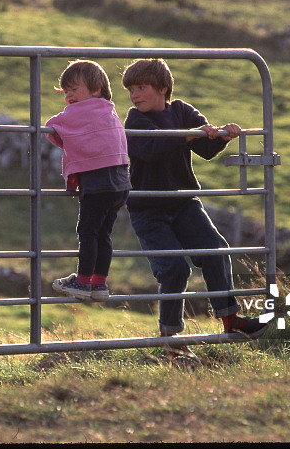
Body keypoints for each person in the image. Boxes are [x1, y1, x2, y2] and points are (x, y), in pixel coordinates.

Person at [121, 58, 266, 367]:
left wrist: (223, 136)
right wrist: (188, 135)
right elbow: (149, 149)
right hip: (148, 210)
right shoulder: (134, 120)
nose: (134, 95)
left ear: (162, 88)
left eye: (141, 87)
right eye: (131, 89)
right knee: (175, 270)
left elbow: (205, 147)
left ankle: (231, 320)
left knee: (216, 251)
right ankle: (172, 340)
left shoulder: (182, 111)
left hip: (185, 203)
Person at [45, 60, 132, 301]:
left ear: (95, 89)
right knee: (104, 234)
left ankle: (82, 283)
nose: (68, 96)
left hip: (97, 184)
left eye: (73, 89)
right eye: (65, 92)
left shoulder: (75, 113)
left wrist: (70, 141)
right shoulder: (108, 109)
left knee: (87, 232)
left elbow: (51, 127)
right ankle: (99, 284)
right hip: (120, 183)